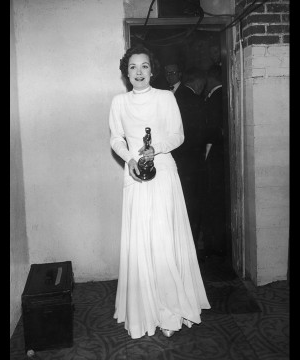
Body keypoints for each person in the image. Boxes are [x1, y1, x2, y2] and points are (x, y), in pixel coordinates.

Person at [108, 46, 211, 339]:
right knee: (142, 240)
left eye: (144, 66)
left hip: (163, 171)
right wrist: (130, 159)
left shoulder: (166, 98)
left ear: (153, 70)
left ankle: (169, 311)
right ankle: (145, 310)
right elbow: (116, 138)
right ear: (126, 73)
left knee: (164, 239)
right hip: (135, 176)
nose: (138, 72)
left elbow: (178, 134)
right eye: (132, 67)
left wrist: (156, 149)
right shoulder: (118, 102)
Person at [170, 67, 208, 254]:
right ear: (198, 82)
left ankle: (180, 245)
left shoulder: (176, 97)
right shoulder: (194, 99)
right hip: (193, 161)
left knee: (181, 202)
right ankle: (191, 244)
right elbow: (201, 133)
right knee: (193, 202)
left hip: (177, 159)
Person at [201, 64, 227, 259]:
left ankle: (215, 243)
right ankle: (215, 242)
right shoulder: (220, 96)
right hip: (219, 156)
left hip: (215, 157)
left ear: (212, 78)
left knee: (213, 200)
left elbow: (211, 131)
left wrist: (205, 154)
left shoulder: (215, 98)